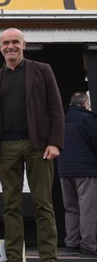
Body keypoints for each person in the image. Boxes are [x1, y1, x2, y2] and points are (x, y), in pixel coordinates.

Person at [0, 28, 64, 262]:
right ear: (0, 48)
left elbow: (56, 109)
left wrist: (55, 143)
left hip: (38, 146)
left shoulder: (42, 71)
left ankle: (49, 257)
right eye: (6, 43)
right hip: (6, 148)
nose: (10, 46)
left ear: (23, 45)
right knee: (11, 205)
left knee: (43, 204)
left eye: (15, 42)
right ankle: (15, 257)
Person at [58, 92, 97, 257]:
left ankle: (71, 243)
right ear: (86, 104)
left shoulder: (61, 119)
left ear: (70, 104)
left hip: (64, 170)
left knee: (71, 208)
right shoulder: (88, 119)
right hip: (86, 170)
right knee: (88, 209)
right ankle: (88, 245)